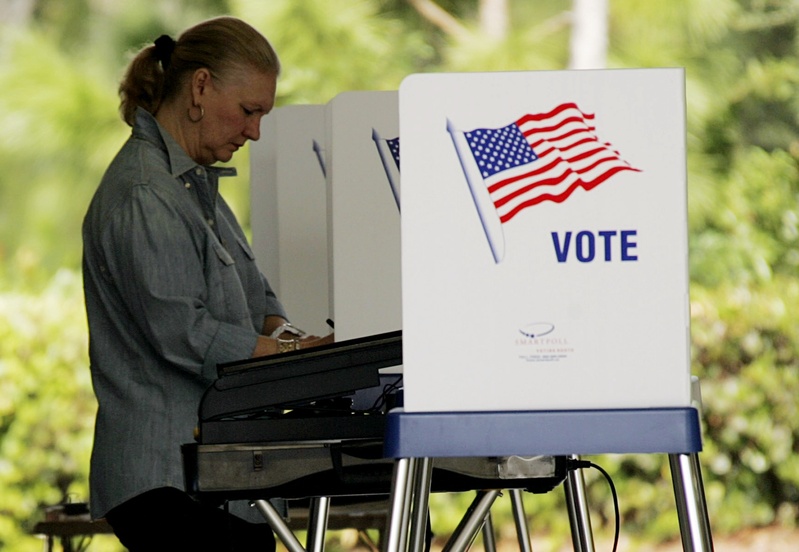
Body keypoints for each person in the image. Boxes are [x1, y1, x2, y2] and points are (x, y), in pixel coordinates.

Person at [82, 16, 332, 551]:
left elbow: (259, 300)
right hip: (165, 476)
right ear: (199, 87)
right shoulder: (146, 192)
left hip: (216, 472)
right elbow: (186, 334)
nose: (256, 131)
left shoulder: (196, 186)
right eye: (248, 111)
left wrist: (297, 347)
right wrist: (300, 360)